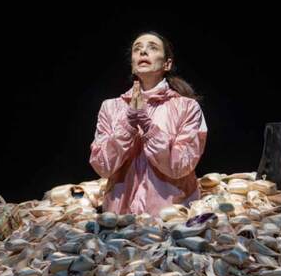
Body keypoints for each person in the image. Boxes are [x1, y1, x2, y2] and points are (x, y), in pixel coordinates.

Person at [89, 31, 208, 217]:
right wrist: (127, 125)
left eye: (152, 48)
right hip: (119, 218)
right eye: (137, 49)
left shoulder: (187, 107)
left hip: (171, 216)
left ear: (167, 64)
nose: (143, 52)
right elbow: (103, 166)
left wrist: (148, 127)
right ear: (132, 64)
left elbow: (181, 165)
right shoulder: (110, 107)